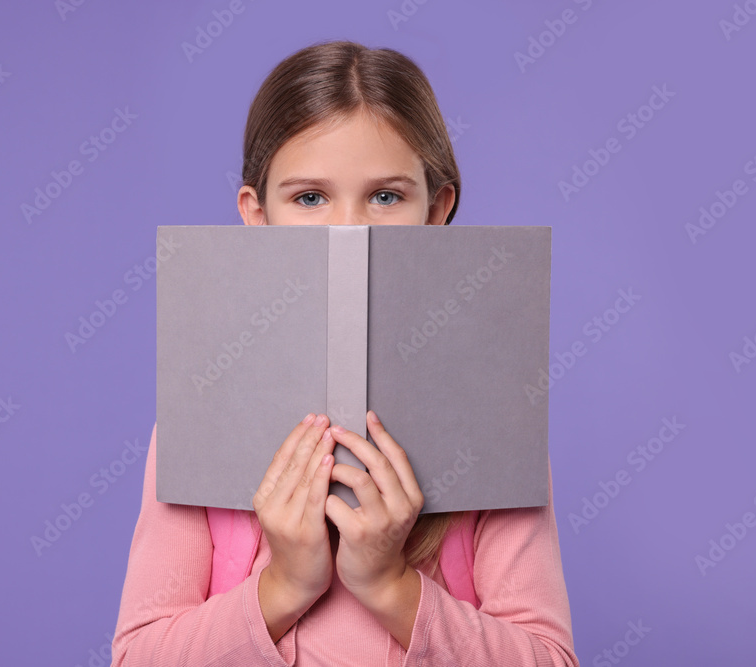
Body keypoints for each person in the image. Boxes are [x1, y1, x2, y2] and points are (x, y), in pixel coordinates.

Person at [110, 40, 578, 666]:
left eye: (386, 196)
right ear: (257, 215)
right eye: (310, 198)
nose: (349, 230)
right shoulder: (198, 422)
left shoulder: (495, 420)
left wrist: (390, 585)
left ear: (436, 211)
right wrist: (284, 586)